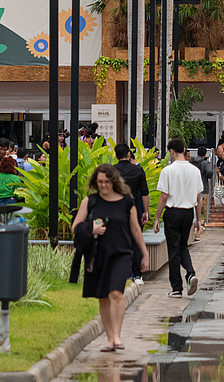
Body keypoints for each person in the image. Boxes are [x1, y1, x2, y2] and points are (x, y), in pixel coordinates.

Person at [72, 165, 146, 351]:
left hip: (122, 253)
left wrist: (144, 253)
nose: (103, 185)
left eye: (106, 181)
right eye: (100, 182)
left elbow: (135, 229)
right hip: (97, 255)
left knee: (116, 293)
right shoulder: (90, 201)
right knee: (103, 297)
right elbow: (76, 227)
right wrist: (92, 229)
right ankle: (109, 339)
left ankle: (117, 337)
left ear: (114, 181)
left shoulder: (127, 202)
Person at [155, 138, 204, 298]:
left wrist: (157, 218)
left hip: (173, 212)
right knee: (182, 246)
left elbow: (164, 197)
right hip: (188, 213)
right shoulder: (195, 170)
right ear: (184, 149)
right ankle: (190, 273)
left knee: (173, 250)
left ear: (172, 151)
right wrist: (198, 219)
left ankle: (176, 287)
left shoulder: (168, 171)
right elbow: (198, 198)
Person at [113, 141, 150, 225]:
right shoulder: (138, 170)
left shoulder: (112, 170)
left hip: (116, 207)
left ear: (116, 156)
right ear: (129, 154)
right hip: (134, 206)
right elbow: (144, 192)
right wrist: (146, 211)